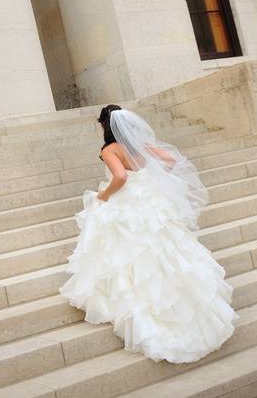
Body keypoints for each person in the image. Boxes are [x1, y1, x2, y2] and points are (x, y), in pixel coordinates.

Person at [58, 104, 237, 363]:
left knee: (126, 254)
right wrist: (152, 177)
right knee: (164, 250)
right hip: (149, 199)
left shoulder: (110, 149)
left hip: (126, 202)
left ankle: (142, 312)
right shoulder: (138, 145)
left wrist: (103, 196)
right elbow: (171, 159)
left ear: (105, 126)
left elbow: (119, 177)